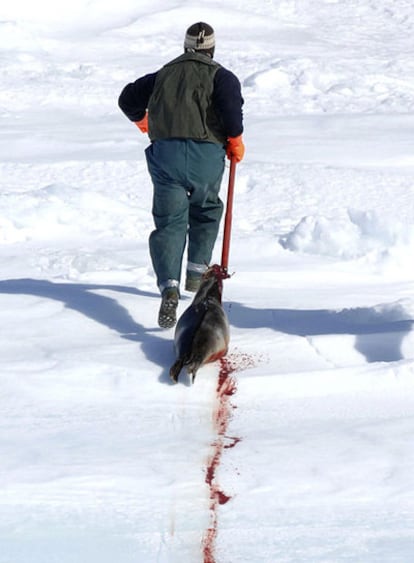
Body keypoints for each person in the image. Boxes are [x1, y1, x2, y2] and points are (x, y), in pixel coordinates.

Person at [118, 22, 244, 329]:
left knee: (170, 222)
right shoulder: (222, 76)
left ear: (185, 47)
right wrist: (235, 139)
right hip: (205, 156)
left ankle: (169, 286)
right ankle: (197, 275)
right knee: (205, 210)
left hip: (166, 156)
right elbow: (230, 112)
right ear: (212, 48)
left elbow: (127, 99)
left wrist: (143, 121)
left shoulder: (162, 75)